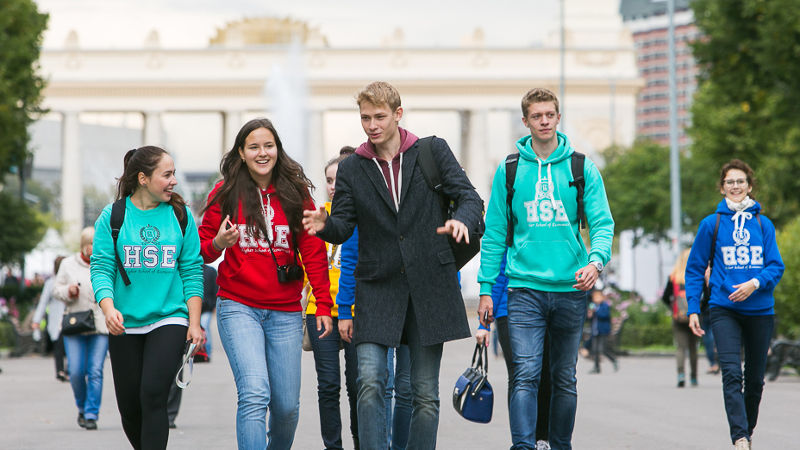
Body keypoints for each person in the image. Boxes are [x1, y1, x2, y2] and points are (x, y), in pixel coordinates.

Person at [303, 81, 484, 449]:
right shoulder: (353, 167)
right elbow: (344, 226)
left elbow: (469, 198)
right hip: (377, 288)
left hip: (428, 287)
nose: (371, 125)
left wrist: (461, 220)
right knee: (369, 381)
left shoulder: (432, 151)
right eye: (365, 118)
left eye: (379, 117)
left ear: (398, 114)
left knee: (424, 394)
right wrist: (325, 226)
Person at [478, 87, 614, 450]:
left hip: (571, 288)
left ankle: (559, 445)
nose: (543, 122)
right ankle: (523, 446)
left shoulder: (581, 168)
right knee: (525, 374)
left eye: (549, 115)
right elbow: (494, 234)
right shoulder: (509, 170)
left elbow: (602, 223)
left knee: (564, 377)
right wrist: (486, 288)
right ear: (525, 121)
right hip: (524, 289)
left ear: (558, 117)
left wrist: (596, 261)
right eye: (536, 116)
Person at [199, 118, 333, 450]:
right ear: (241, 153)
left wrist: (323, 304)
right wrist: (218, 243)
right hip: (238, 306)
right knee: (255, 393)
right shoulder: (225, 193)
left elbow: (314, 253)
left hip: (285, 311)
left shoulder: (296, 194)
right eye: (254, 147)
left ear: (278, 149)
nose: (262, 153)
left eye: (268, 146)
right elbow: (200, 250)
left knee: (286, 408)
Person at [91, 146, 204, 449]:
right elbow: (101, 268)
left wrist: (194, 323)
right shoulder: (113, 216)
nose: (173, 181)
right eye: (167, 175)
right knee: (130, 407)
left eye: (174, 174)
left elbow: (192, 271)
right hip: (124, 322)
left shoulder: (180, 216)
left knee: (153, 394)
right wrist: (108, 308)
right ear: (143, 178)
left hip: (169, 318)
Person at [686, 159, 784, 450]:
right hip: (723, 308)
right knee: (731, 373)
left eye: (740, 181)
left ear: (749, 186)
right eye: (730, 182)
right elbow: (694, 268)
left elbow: (775, 266)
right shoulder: (711, 224)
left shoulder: (763, 224)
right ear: (722, 188)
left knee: (754, 381)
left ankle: (747, 431)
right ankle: (740, 437)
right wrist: (693, 308)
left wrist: (754, 283)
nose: (735, 186)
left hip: (760, 310)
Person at [305, 146, 360, 450]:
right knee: (328, 385)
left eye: (340, 179)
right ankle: (333, 446)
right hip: (320, 310)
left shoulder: (362, 216)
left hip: (356, 312)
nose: (334, 186)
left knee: (358, 386)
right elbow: (305, 264)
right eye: (329, 180)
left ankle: (363, 442)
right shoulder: (317, 217)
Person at [475, 250, 552, 450]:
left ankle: (542, 439)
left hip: (545, 306)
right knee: (520, 376)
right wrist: (484, 324)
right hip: (508, 310)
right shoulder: (507, 231)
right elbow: (497, 272)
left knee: (545, 375)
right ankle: (523, 442)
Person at [53, 228, 108, 430]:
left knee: (95, 370)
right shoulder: (68, 264)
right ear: (84, 245)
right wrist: (68, 291)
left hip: (100, 325)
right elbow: (56, 290)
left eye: (97, 244)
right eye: (91, 244)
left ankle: (92, 413)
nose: (94, 248)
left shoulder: (106, 262)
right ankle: (82, 408)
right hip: (75, 324)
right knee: (76, 371)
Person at [661, 249, 698, 387]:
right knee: (693, 347)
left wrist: (674, 309)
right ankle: (693, 377)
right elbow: (706, 296)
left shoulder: (674, 277)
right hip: (695, 317)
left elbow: (665, 297)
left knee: (680, 348)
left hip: (679, 317)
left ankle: (681, 375)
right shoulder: (696, 276)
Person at [32, 255, 68, 382]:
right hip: (57, 319)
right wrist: (36, 320)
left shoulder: (70, 280)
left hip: (69, 318)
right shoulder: (51, 283)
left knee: (64, 345)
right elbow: (43, 302)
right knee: (59, 345)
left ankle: (65, 370)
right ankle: (61, 370)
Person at [587, 289, 617, 374]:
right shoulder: (593, 305)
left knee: (602, 349)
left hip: (603, 330)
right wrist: (590, 314)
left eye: (598, 296)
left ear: (602, 297)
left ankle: (613, 360)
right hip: (595, 330)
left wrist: (595, 311)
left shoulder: (604, 305)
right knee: (595, 350)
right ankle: (597, 367)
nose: (596, 298)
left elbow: (604, 315)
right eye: (594, 297)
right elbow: (590, 318)